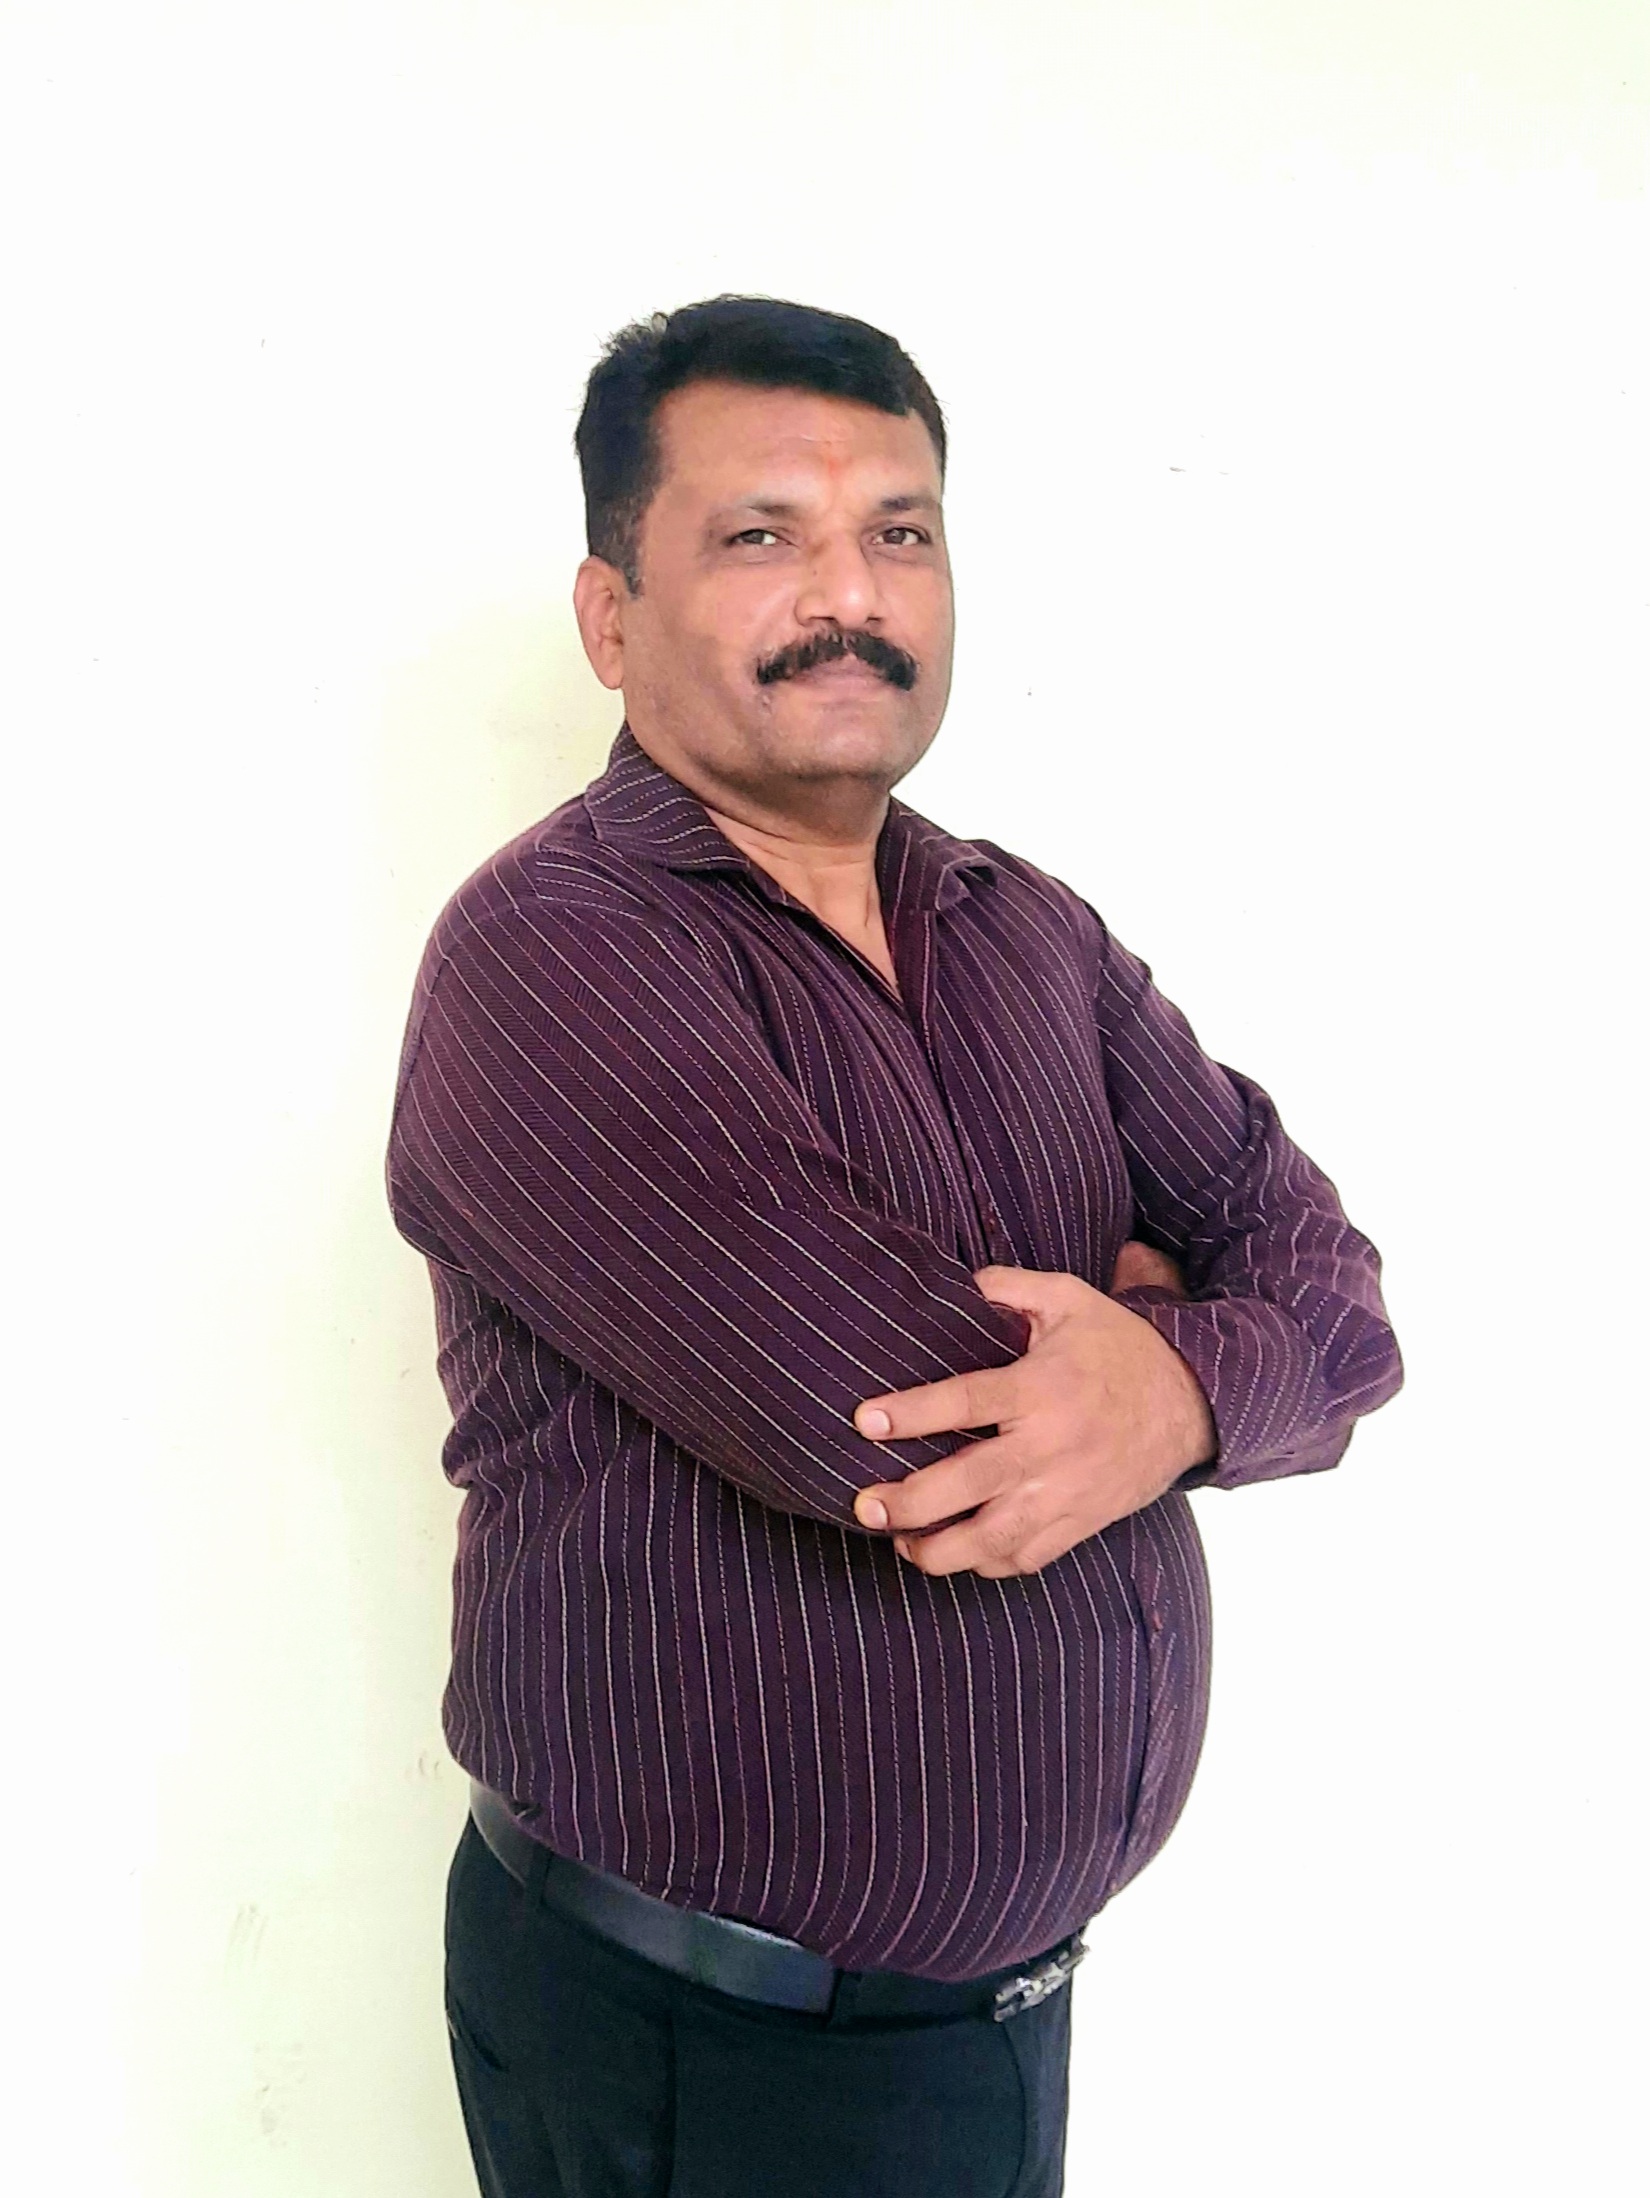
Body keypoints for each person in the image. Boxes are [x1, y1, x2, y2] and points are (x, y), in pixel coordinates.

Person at [386, 295, 1403, 2198]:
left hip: (984, 2021)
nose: (847, 594)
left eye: (899, 532)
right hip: (712, 2044)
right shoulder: (551, 954)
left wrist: (1171, 1387)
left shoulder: (1029, 929)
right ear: (610, 617)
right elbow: (902, 1430)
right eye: (758, 535)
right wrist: (1155, 1351)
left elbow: (1327, 1280)